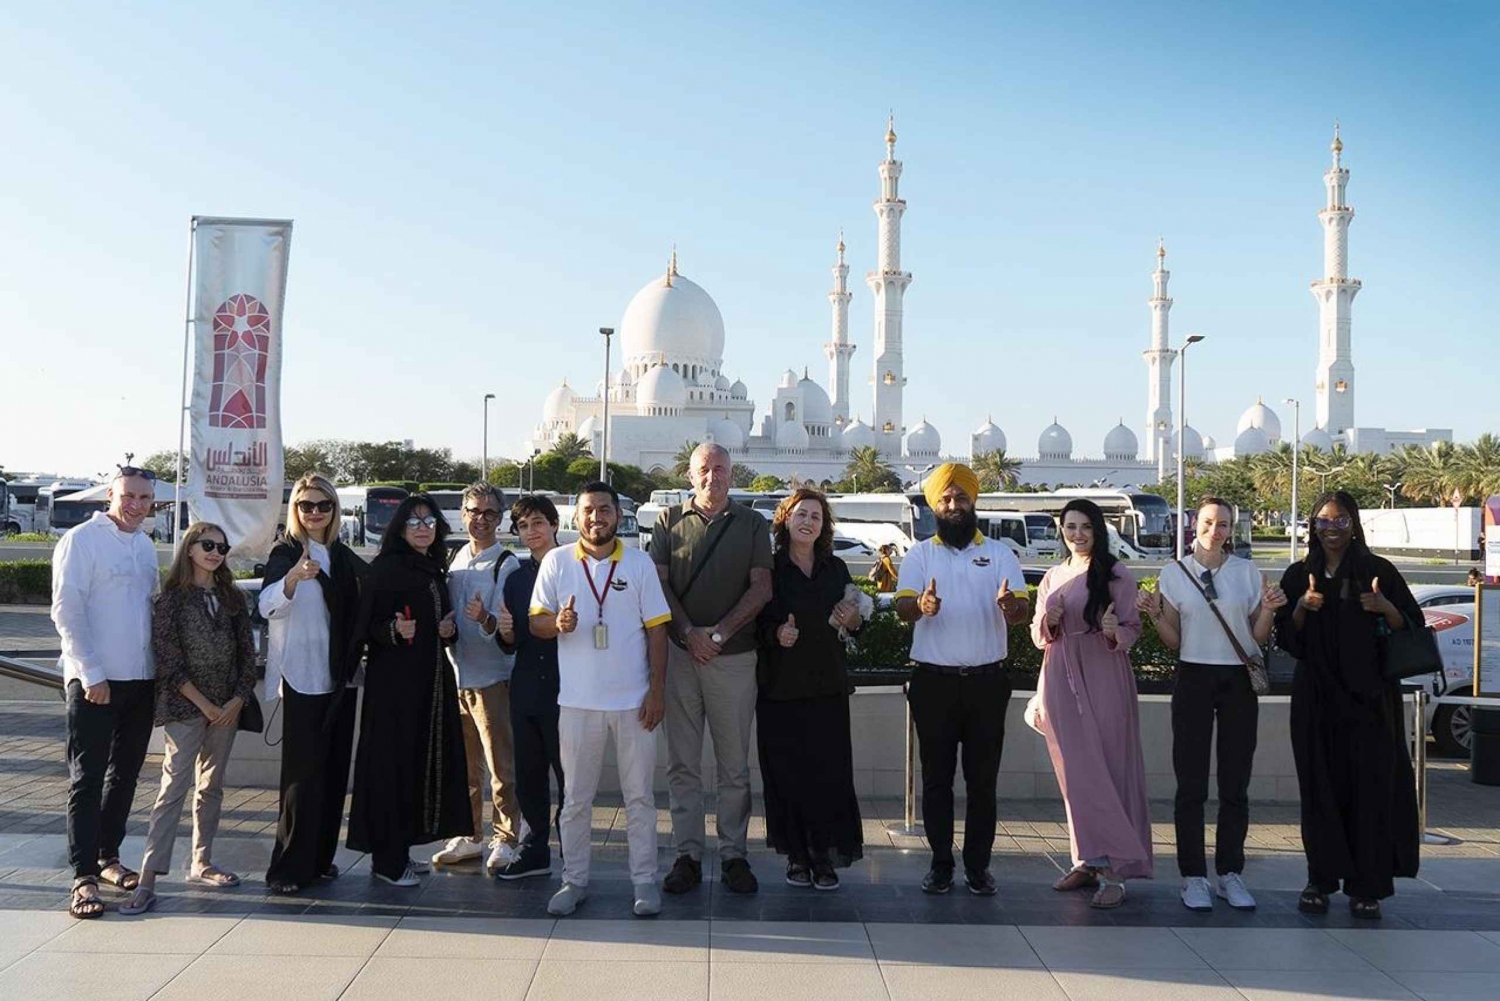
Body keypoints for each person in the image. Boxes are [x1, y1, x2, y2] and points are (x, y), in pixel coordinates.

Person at [1275, 490, 1421, 920]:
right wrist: (1302, 607)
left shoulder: (1380, 572)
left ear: (1354, 524)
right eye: (1323, 521)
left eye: (1340, 521)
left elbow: (1411, 626)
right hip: (1317, 700)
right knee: (1320, 789)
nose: (1332, 530)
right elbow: (1287, 639)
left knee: (1371, 790)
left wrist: (1385, 608)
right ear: (1312, 526)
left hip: (1371, 702)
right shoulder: (1299, 574)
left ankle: (1367, 886)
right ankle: (1319, 880)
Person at [530, 482, 671, 917]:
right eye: (589, 510)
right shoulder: (556, 562)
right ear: (576, 518)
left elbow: (657, 630)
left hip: (633, 703)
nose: (597, 518)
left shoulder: (639, 562)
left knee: (640, 799)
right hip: (576, 703)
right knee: (575, 799)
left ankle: (644, 882)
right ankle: (573, 881)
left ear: (617, 515)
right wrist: (560, 624)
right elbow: (537, 624)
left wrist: (657, 691)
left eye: (605, 510)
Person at [1139, 497, 1286, 912]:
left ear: (1231, 529)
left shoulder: (1246, 572)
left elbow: (1255, 636)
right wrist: (1154, 615)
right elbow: (1174, 640)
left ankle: (1230, 873)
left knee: (1235, 783)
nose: (1214, 530)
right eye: (1207, 522)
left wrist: (1270, 611)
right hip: (1193, 678)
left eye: (1223, 524)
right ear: (1194, 525)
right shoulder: (1174, 572)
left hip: (1237, 680)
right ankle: (1193, 877)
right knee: (1191, 784)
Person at [894, 463, 1030, 896]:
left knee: (982, 781)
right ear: (935, 505)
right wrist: (923, 606)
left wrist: (1010, 607)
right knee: (936, 780)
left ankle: (977, 867)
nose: (953, 506)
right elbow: (902, 607)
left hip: (987, 685)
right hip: (934, 684)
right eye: (945, 500)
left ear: (974, 502)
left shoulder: (1001, 553)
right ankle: (939, 864)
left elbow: (1021, 609)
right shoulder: (920, 555)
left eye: (961, 498)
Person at [653, 443, 773, 895]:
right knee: (682, 764)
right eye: (704, 469)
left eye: (720, 468)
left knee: (733, 766)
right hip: (681, 659)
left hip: (734, 659)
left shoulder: (752, 524)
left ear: (731, 474)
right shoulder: (668, 521)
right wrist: (689, 634)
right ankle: (686, 854)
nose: (712, 476)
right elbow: (658, 583)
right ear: (690, 476)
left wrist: (718, 635)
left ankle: (733, 855)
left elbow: (762, 588)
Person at [122, 522, 258, 914]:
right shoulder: (170, 602)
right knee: (174, 787)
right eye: (208, 545)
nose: (216, 552)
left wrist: (235, 699)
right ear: (190, 549)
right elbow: (170, 664)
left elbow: (247, 657)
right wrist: (205, 705)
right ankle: (148, 877)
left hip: (227, 708)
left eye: (222, 546)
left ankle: (202, 860)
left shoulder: (232, 598)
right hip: (186, 708)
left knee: (212, 785)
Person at [1031, 498, 1151, 909]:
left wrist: (1115, 630)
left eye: (1085, 526)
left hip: (1104, 672)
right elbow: (1037, 633)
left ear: (1098, 530)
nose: (1077, 534)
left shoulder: (1116, 573)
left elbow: (1133, 630)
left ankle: (1116, 870)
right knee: (1073, 772)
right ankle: (1086, 859)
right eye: (1070, 527)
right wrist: (1049, 619)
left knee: (1110, 768)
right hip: (1060, 673)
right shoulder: (1053, 576)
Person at [347, 493, 472, 886]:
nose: (423, 528)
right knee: (393, 769)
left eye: (430, 522)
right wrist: (392, 632)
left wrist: (445, 631)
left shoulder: (432, 569)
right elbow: (364, 627)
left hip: (430, 687)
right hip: (395, 691)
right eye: (415, 521)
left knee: (419, 767)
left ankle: (399, 850)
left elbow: (438, 623)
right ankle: (387, 860)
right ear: (401, 528)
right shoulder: (385, 570)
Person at [52, 467, 160, 918]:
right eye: (129, 496)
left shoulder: (146, 545)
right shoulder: (81, 540)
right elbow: (66, 610)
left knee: (126, 776)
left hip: (141, 679)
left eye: (145, 499)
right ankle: (83, 878)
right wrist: (91, 673)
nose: (136, 505)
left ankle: (108, 856)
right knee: (87, 777)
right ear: (111, 497)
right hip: (95, 681)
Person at [259, 473, 368, 895]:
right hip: (301, 676)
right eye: (307, 505)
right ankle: (287, 869)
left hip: (340, 676)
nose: (315, 512)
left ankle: (321, 860)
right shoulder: (285, 552)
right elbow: (266, 605)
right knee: (301, 780)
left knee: (335, 773)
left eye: (323, 505)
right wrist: (291, 579)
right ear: (296, 510)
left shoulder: (341, 555)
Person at [755, 489, 866, 890]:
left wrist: (852, 619)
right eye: (801, 514)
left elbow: (856, 623)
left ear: (825, 526)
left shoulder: (835, 569)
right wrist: (776, 633)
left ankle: (825, 857)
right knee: (787, 775)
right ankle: (797, 857)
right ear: (785, 519)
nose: (808, 522)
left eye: (816, 517)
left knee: (828, 776)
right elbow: (756, 624)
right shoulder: (768, 569)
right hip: (780, 690)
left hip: (827, 689)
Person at [431, 482, 522, 873]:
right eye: (473, 511)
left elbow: (505, 627)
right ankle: (469, 835)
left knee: (502, 765)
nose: (480, 519)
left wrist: (483, 618)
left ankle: (508, 837)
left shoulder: (507, 563)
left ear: (500, 520)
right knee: (465, 766)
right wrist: (447, 628)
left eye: (489, 513)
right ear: (462, 514)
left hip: (493, 680)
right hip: (457, 675)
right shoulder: (455, 558)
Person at [495, 493, 565, 880]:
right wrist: (503, 633)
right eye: (523, 526)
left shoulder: (574, 568)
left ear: (554, 525)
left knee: (569, 775)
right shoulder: (517, 579)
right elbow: (511, 642)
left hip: (567, 686)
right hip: (526, 687)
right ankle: (534, 848)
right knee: (529, 773)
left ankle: (572, 851)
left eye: (538, 522)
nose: (531, 531)